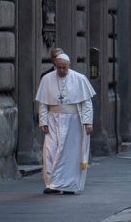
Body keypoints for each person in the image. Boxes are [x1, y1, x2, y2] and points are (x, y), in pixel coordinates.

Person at [35, 51, 96, 194]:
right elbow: (43, 103)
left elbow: (87, 103)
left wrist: (88, 122)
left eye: (64, 68)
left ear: (69, 65)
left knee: (70, 154)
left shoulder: (79, 79)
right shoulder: (47, 79)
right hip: (53, 119)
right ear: (55, 65)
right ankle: (51, 184)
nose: (61, 70)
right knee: (50, 151)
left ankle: (69, 185)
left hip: (73, 121)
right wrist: (43, 121)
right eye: (59, 68)